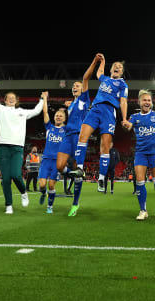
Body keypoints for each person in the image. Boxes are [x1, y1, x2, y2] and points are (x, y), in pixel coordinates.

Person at [71, 53, 128, 216]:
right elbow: (97, 73)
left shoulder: (122, 84)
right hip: (95, 109)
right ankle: (80, 169)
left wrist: (124, 118)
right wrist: (101, 61)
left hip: (109, 112)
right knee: (83, 136)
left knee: (105, 146)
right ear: (111, 69)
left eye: (120, 67)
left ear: (122, 73)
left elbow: (123, 101)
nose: (117, 68)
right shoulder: (105, 79)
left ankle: (102, 177)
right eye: (115, 66)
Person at [0, 80, 45, 214]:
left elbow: (36, 111)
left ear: (17, 100)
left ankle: (24, 192)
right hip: (3, 147)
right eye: (9, 98)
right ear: (5, 100)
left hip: (17, 147)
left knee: (16, 174)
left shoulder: (22, 112)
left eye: (14, 98)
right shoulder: (0, 109)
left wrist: (42, 99)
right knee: (6, 179)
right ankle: (9, 205)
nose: (11, 99)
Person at [123, 89, 155, 220]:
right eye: (144, 100)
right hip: (141, 153)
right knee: (140, 182)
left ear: (151, 103)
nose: (147, 102)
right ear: (139, 102)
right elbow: (128, 126)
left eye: (149, 100)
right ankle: (143, 211)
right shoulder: (134, 117)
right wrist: (125, 125)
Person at [54, 58, 94, 216]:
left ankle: (75, 204)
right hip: (67, 137)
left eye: (77, 86)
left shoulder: (84, 99)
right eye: (73, 86)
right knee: (59, 166)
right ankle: (75, 175)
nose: (74, 87)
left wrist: (95, 62)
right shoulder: (71, 104)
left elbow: (86, 78)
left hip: (79, 137)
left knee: (78, 170)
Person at [39, 102, 66, 213]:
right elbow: (45, 112)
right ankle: (42, 192)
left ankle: (50, 206)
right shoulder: (49, 127)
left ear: (64, 118)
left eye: (60, 116)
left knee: (51, 185)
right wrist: (45, 99)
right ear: (54, 117)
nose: (58, 117)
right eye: (56, 115)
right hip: (46, 160)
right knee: (42, 185)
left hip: (57, 162)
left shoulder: (66, 130)